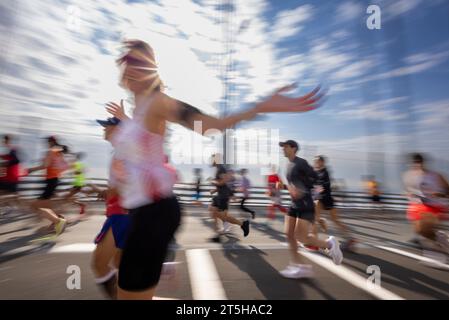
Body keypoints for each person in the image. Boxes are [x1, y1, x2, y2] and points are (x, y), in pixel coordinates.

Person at [107, 39, 325, 299]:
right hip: (141, 212)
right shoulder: (139, 109)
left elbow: (211, 126)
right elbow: (143, 145)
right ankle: (161, 266)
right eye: (129, 61)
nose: (132, 68)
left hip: (154, 213)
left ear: (151, 69)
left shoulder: (157, 103)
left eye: (140, 63)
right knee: (126, 281)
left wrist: (261, 107)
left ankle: (160, 265)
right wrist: (125, 121)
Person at [279, 140, 343, 279]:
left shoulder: (301, 162)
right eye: (282, 147)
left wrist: (303, 190)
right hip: (294, 203)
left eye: (285, 146)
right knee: (288, 234)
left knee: (302, 238)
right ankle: (299, 266)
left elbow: (315, 179)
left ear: (293, 148)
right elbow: (294, 187)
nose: (283, 149)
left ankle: (330, 244)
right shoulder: (288, 165)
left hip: (305, 204)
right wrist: (284, 187)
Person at [90, 116, 130, 299]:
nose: (104, 129)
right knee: (120, 265)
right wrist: (106, 192)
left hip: (122, 214)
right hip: (121, 212)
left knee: (99, 264)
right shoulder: (120, 152)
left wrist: (107, 192)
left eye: (107, 126)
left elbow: (130, 183)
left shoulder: (123, 151)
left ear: (118, 130)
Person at [402, 153, 449, 257]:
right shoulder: (408, 176)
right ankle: (439, 240)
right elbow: (407, 190)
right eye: (414, 163)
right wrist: (408, 194)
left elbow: (448, 191)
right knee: (421, 231)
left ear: (423, 163)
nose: (417, 165)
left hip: (435, 205)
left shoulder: (436, 176)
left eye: (419, 162)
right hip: (417, 205)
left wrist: (440, 194)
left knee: (423, 230)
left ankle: (441, 242)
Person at [312, 155, 356, 251]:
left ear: (322, 162)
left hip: (325, 199)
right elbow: (314, 185)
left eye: (317, 161)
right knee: (316, 218)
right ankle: (316, 236)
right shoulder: (317, 172)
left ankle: (350, 238)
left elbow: (323, 186)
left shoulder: (324, 173)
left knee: (334, 220)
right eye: (314, 161)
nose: (315, 163)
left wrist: (315, 191)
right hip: (321, 198)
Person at [27, 136, 69, 236]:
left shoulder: (51, 151)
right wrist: (56, 171)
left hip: (51, 181)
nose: (47, 143)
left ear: (51, 142)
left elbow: (45, 165)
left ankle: (58, 221)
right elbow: (65, 166)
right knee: (46, 206)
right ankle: (58, 220)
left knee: (35, 206)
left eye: (48, 141)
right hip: (54, 180)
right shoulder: (59, 152)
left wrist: (31, 169)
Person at [0, 135, 22, 212]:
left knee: (12, 193)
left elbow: (16, 160)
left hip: (11, 176)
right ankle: (9, 206)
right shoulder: (9, 150)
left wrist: (6, 163)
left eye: (5, 140)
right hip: (8, 176)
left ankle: (15, 207)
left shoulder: (12, 149)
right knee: (6, 192)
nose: (3, 142)